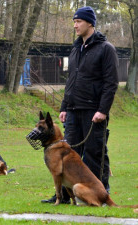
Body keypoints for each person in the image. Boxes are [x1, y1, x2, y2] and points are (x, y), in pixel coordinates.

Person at [42, 6, 119, 204]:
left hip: (94, 112)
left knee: (95, 153)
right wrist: (64, 106)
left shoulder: (106, 49)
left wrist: (103, 110)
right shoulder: (76, 49)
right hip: (74, 111)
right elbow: (71, 80)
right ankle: (64, 195)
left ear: (90, 23)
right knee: (67, 155)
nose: (75, 25)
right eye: (74, 21)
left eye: (79, 21)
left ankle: (101, 193)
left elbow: (111, 83)